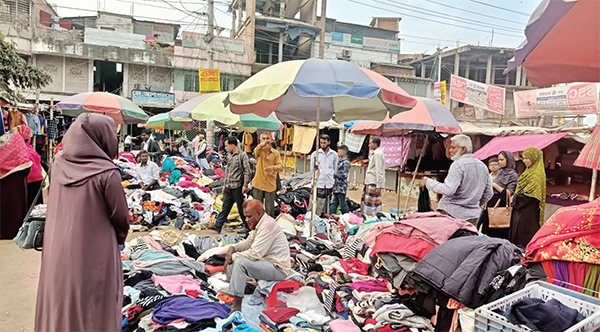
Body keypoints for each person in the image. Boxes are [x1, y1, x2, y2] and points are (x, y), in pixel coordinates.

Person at [35, 113, 129, 332]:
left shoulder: (57, 163)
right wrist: (119, 239)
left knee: (59, 299)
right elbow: (121, 218)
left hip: (56, 247)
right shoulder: (107, 173)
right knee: (94, 305)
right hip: (95, 252)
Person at [224, 199, 292, 313]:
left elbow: (255, 253)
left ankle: (236, 306)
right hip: (268, 263)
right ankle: (238, 293)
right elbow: (248, 242)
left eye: (249, 216)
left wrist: (234, 256)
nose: (246, 220)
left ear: (259, 213)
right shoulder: (260, 223)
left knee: (240, 262)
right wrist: (233, 248)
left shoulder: (266, 226)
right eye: (245, 216)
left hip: (278, 268)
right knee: (235, 260)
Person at [419, 134, 493, 225]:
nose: (450, 151)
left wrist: (428, 182)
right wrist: (473, 204)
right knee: (467, 239)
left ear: (463, 149)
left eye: (453, 148)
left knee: (451, 239)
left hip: (453, 214)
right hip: (473, 216)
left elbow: (449, 190)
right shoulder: (482, 166)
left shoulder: (458, 165)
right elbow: (489, 193)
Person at [210, 136, 252, 234]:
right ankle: (218, 226)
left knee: (241, 208)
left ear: (233, 145)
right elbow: (228, 172)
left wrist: (245, 185)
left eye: (227, 145)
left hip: (238, 186)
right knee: (226, 207)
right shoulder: (230, 155)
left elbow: (247, 171)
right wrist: (225, 184)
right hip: (229, 186)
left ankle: (247, 226)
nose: (226, 148)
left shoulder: (242, 155)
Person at [0, 125, 33, 239]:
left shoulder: (6, 142)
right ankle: (14, 231)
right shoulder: (20, 146)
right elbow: (25, 165)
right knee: (15, 206)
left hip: (4, 178)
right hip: (17, 181)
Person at [509, 147, 546, 247]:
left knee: (524, 235)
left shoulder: (536, 174)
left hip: (528, 211)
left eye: (527, 158)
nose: (524, 161)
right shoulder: (528, 172)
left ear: (534, 158)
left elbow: (530, 194)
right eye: (523, 158)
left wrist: (515, 198)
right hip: (520, 209)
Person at [479, 151, 519, 238]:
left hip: (501, 207)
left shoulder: (512, 175)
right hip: (490, 205)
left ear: (508, 160)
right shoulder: (500, 172)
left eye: (501, 160)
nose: (499, 162)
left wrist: (494, 185)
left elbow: (509, 193)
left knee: (498, 233)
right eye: (499, 160)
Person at [252, 132, 283, 217]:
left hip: (270, 184)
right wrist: (261, 145)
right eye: (263, 138)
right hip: (258, 183)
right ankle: (256, 228)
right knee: (257, 209)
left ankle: (269, 228)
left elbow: (281, 167)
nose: (266, 141)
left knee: (270, 210)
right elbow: (255, 152)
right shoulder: (259, 151)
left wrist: (273, 167)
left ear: (271, 140)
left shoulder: (276, 153)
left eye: (267, 138)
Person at [311, 134, 338, 216]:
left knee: (328, 203)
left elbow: (335, 169)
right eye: (321, 143)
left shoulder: (334, 154)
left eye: (324, 142)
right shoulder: (315, 154)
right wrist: (313, 184)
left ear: (329, 142)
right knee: (317, 203)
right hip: (319, 182)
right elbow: (312, 170)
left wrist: (333, 181)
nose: (322, 144)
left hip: (329, 183)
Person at [362, 136, 386, 217]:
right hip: (371, 181)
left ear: (375, 144)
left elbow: (379, 170)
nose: (369, 145)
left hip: (373, 182)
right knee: (372, 202)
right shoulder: (376, 153)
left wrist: (379, 185)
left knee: (371, 204)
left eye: (370, 144)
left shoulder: (377, 154)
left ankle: (371, 218)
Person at [330, 144, 350, 215]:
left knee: (342, 203)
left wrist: (335, 174)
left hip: (341, 186)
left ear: (344, 152)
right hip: (336, 186)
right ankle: (331, 215)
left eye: (339, 152)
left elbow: (344, 175)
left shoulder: (345, 163)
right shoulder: (339, 161)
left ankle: (347, 215)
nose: (337, 153)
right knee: (335, 202)